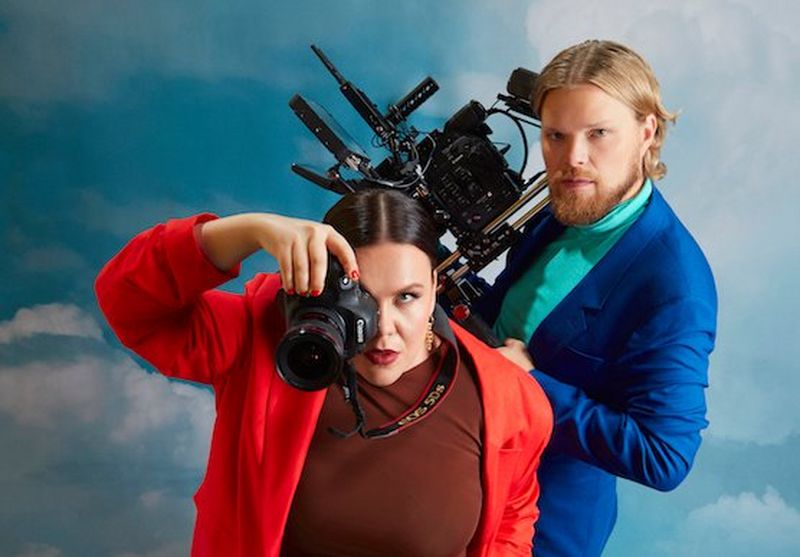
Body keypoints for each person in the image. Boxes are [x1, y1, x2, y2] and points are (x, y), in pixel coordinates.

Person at [95, 188, 553, 557]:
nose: (384, 330)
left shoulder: (511, 401)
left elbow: (510, 527)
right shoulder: (265, 340)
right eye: (363, 299)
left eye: (407, 297)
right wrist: (247, 231)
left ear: (436, 285)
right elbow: (129, 302)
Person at [478, 40, 718, 556]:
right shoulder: (563, 208)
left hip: (543, 528)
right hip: (466, 482)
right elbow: (511, 319)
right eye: (555, 136)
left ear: (647, 131)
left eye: (598, 134)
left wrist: (528, 384)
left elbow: (663, 457)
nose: (572, 159)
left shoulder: (674, 283)